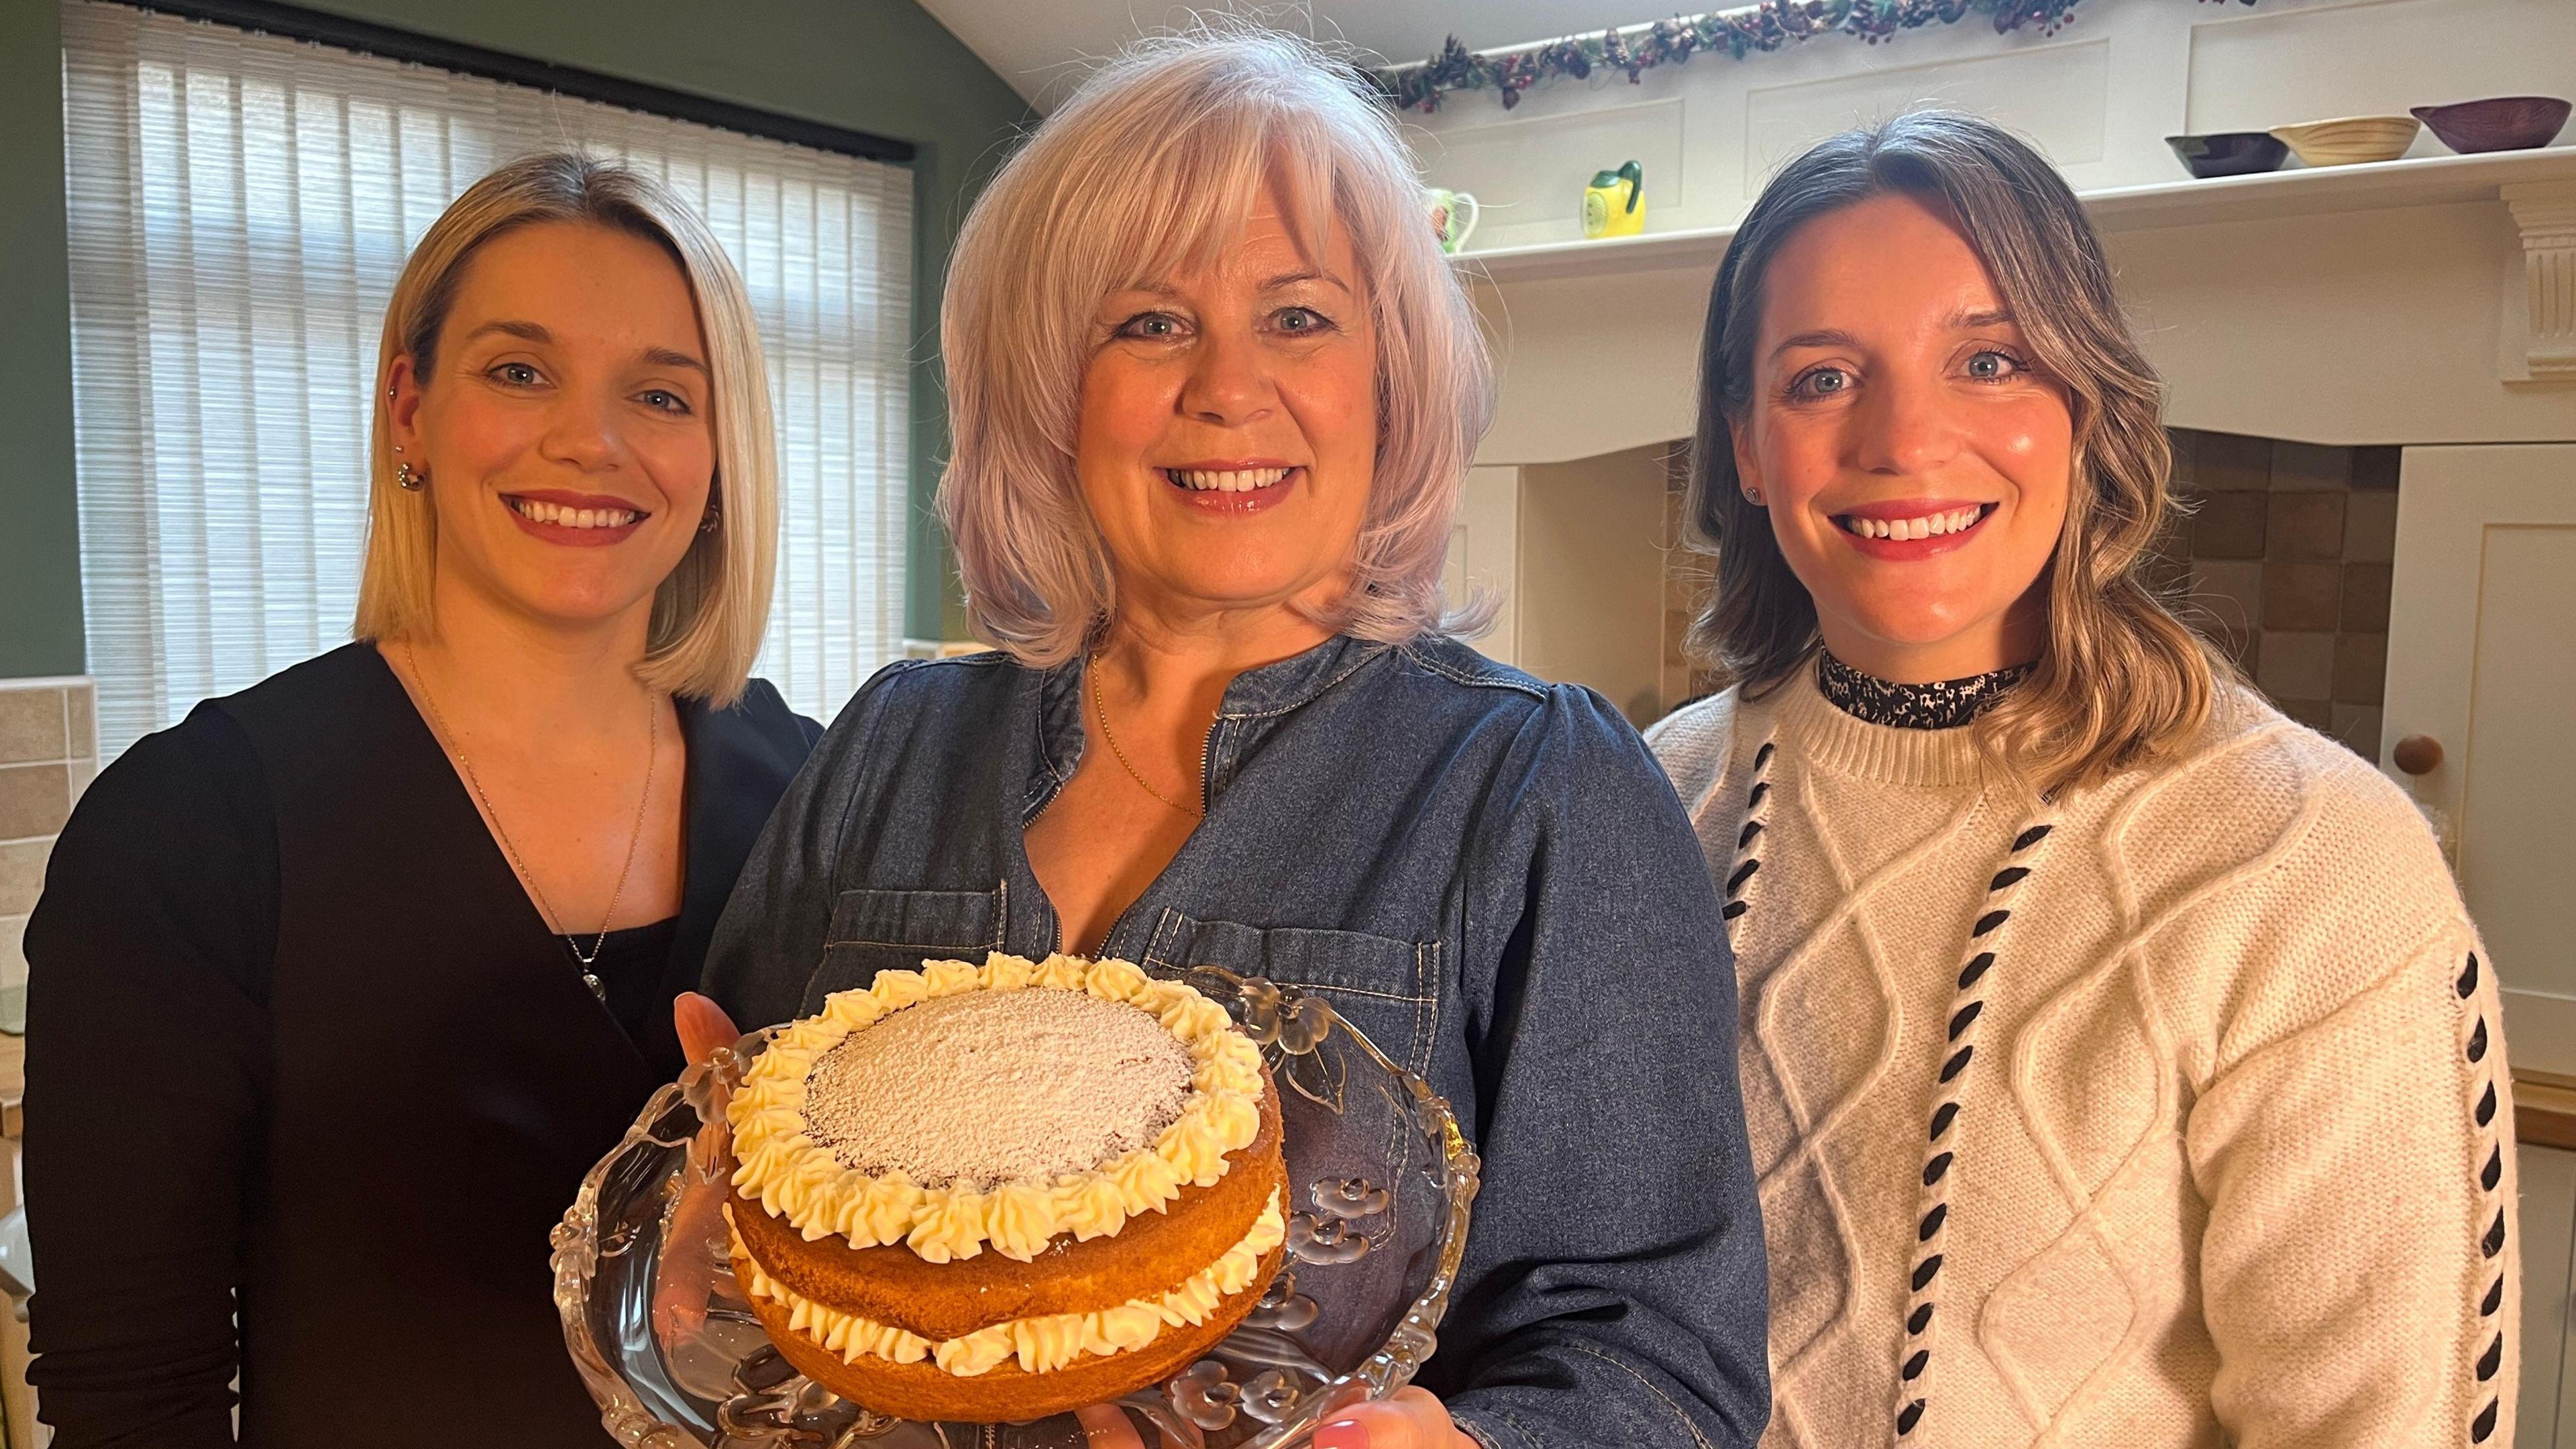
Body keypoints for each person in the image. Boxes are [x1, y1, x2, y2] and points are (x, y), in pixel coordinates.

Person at [684, 31, 1769, 1449]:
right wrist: (713, 1245)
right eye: (1148, 322)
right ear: (1045, 390)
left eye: (1301, 316)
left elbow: (1661, 1366)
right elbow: (745, 1213)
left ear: (1392, 377)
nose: (1226, 386)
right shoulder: (894, 744)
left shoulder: (1541, 787)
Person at [1646, 111, 2518, 1448]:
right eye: (1822, 378)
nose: (1905, 438)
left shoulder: (2311, 866)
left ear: (2086, 410)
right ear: (1750, 445)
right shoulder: (1654, 797)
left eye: (1989, 360)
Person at [24, 152, 820, 1448]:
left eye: (663, 394)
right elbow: (132, 1396)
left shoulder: (815, 789)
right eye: (519, 371)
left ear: (720, 452)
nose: (591, 439)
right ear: (409, 408)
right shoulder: (195, 829)